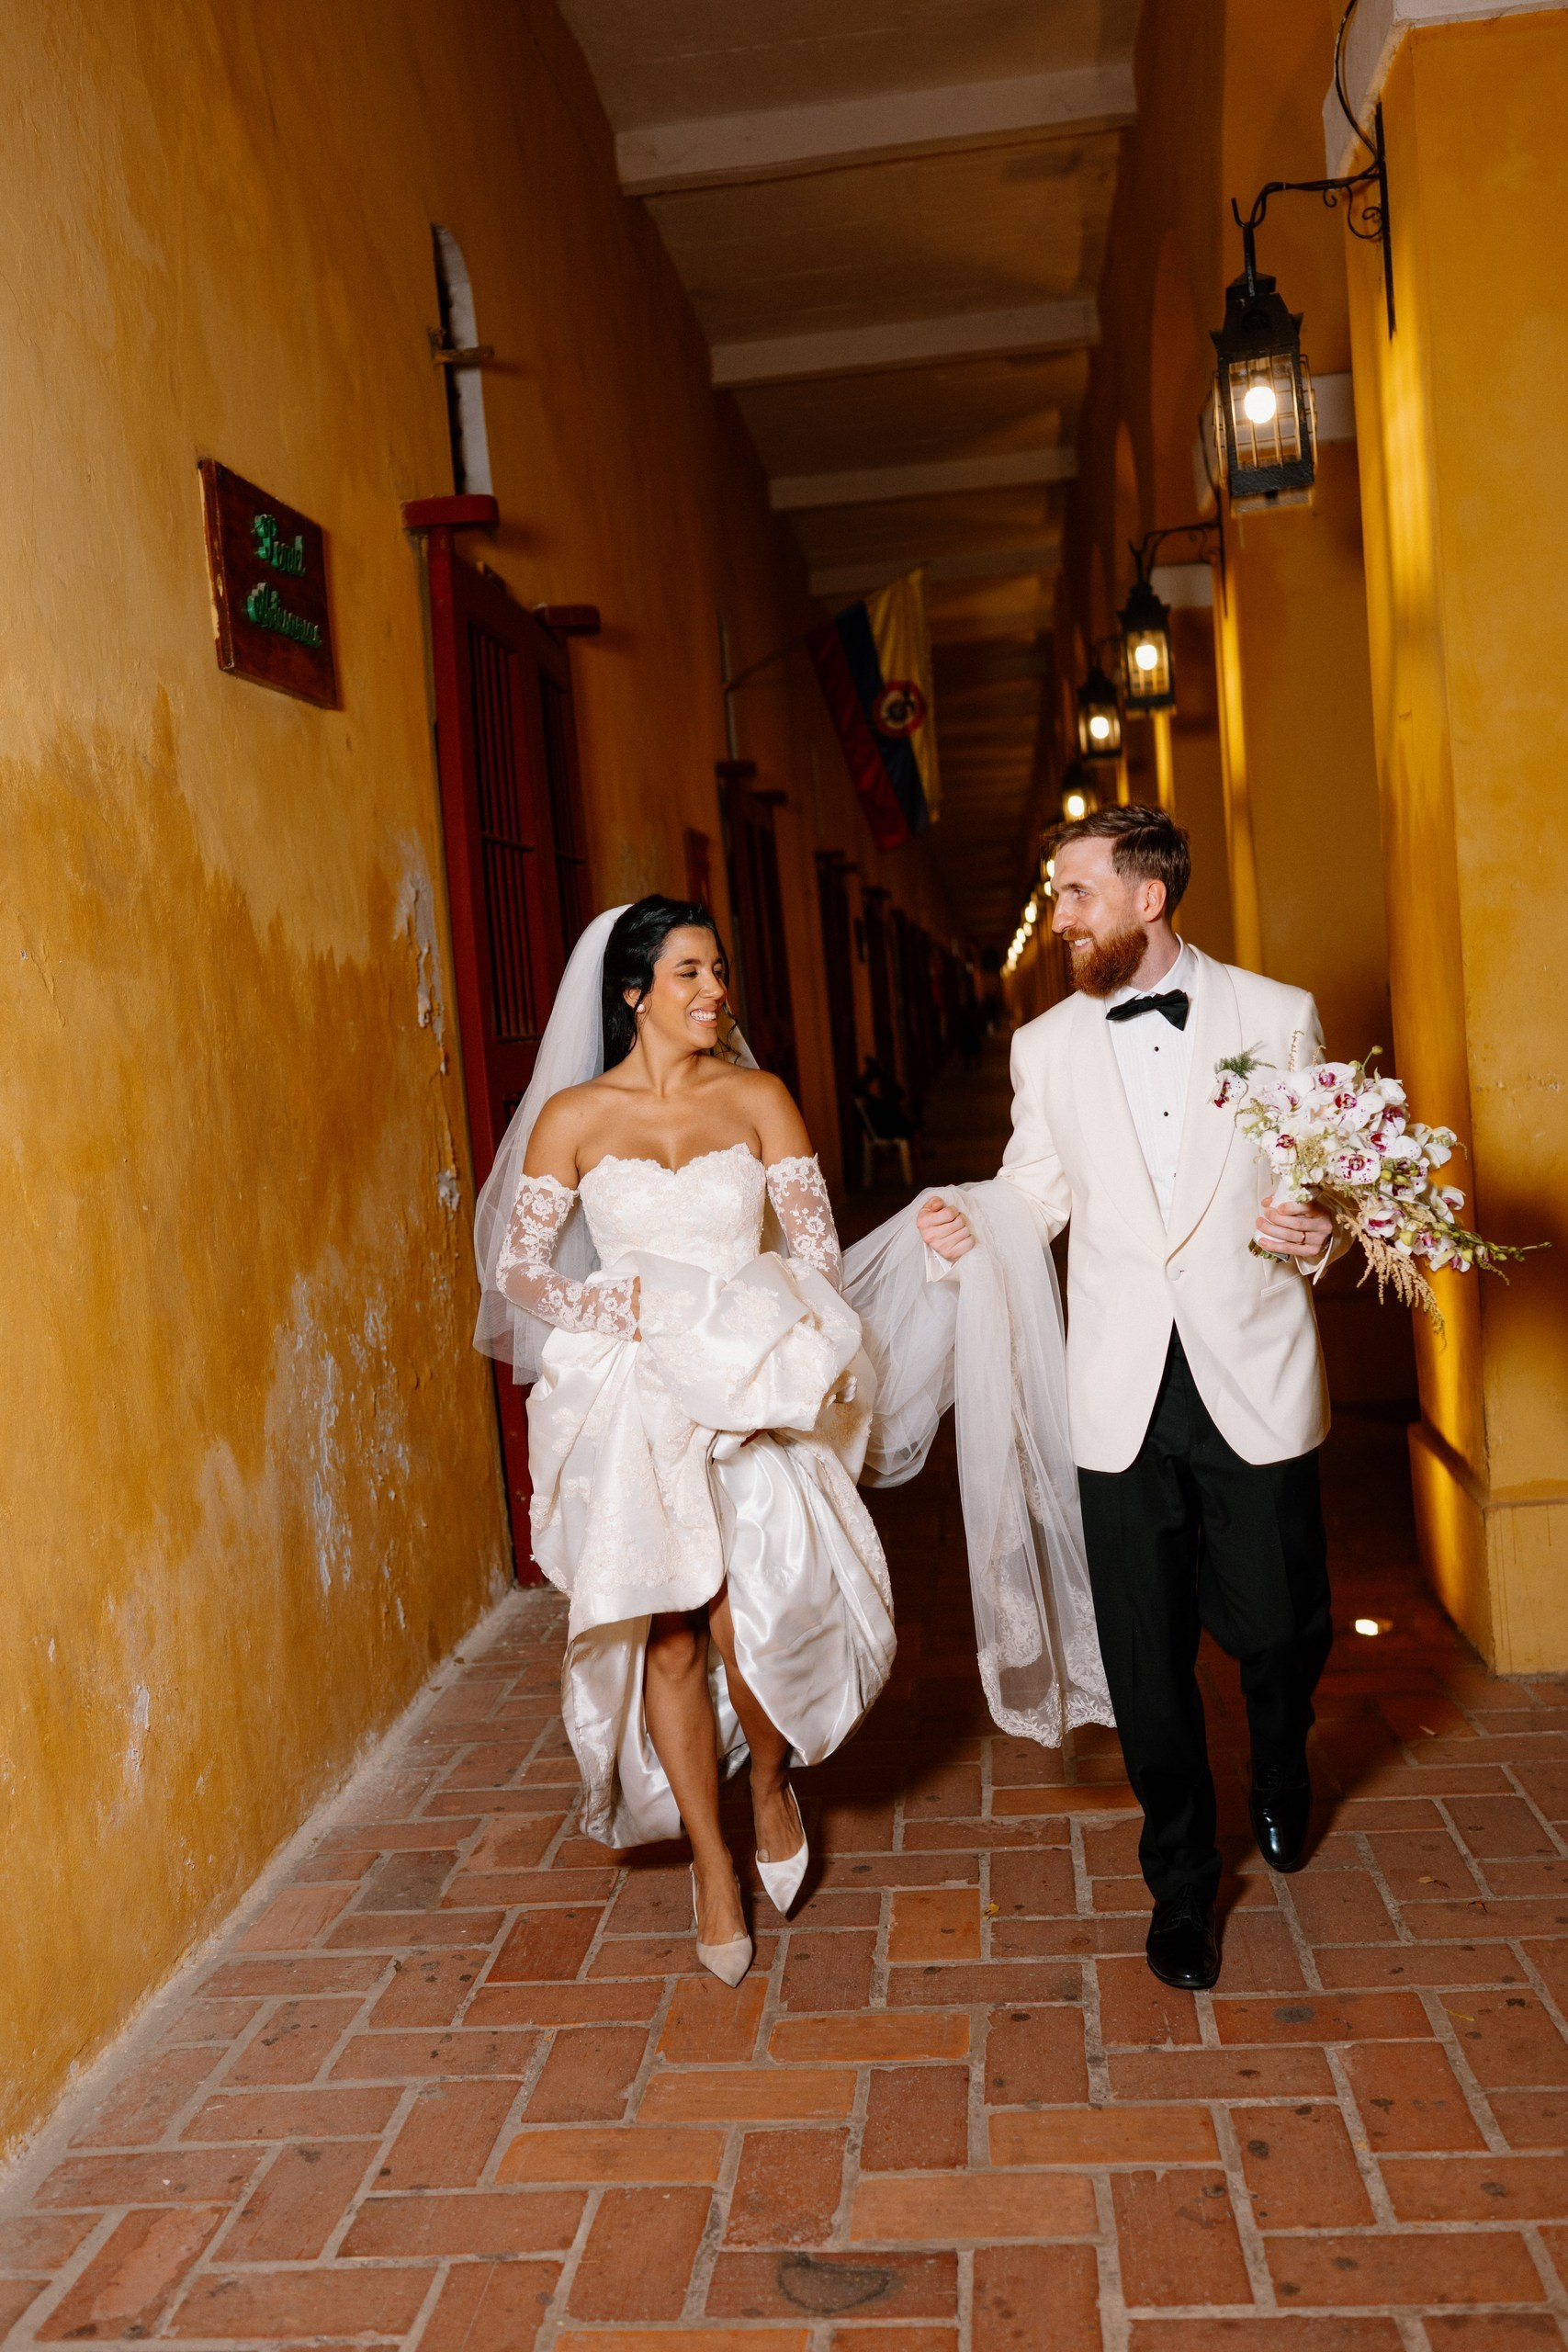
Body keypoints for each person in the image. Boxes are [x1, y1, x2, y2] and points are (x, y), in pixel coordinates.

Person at [918, 805, 1337, 1993]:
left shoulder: (1275, 1014)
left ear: (1146, 898)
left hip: (1249, 1364)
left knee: (1280, 1622)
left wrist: (1315, 1225)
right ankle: (1179, 1888)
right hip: (1111, 1384)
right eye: (1057, 896)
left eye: (1074, 894)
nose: (1056, 920)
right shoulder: (1042, 1048)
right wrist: (971, 1226)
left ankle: (1276, 1759)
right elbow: (1029, 1191)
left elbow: (1323, 1176)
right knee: (1145, 1648)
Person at [472, 899, 896, 1987]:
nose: (716, 992)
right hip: (631, 1396)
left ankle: (766, 1781)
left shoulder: (758, 1098)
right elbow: (520, 1272)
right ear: (632, 993)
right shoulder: (571, 1115)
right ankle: (712, 1864)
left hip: (745, 1380)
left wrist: (769, 1361)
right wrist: (631, 1310)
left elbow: (815, 1256)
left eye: (719, 971)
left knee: (743, 1620)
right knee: (666, 1634)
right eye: (691, 974)